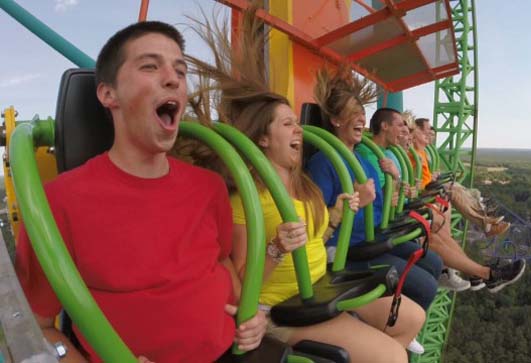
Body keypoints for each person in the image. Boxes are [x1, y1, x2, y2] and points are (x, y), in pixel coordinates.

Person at [15, 21, 266, 363]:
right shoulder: (57, 202)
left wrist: (249, 314)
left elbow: (219, 261)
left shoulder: (208, 187)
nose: (173, 78)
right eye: (150, 66)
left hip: (231, 354)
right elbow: (41, 328)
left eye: (180, 70)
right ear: (108, 94)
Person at [185, 10, 425, 363]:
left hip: (317, 287)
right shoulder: (245, 199)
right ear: (263, 138)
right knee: (392, 358)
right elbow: (239, 281)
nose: (299, 131)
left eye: (298, 123)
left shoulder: (303, 187)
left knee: (413, 317)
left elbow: (317, 240)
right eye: (288, 124)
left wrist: (338, 215)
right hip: (280, 307)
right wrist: (276, 248)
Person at [305, 66, 443, 319]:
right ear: (336, 120)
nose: (361, 120)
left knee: (434, 263)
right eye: (354, 114)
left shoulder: (364, 161)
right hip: (344, 246)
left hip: (370, 235)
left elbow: (378, 204)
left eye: (362, 114)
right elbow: (318, 225)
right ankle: (394, 328)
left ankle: (396, 318)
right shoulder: (323, 163)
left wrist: (393, 192)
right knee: (425, 287)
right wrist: (355, 205)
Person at [410, 118, 510, 238]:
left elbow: (421, 176)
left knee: (459, 188)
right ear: (415, 133)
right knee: (454, 191)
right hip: (424, 191)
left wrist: (432, 176)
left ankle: (485, 218)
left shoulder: (422, 152)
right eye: (426, 131)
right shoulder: (413, 154)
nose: (429, 134)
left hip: (428, 186)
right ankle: (485, 223)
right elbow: (412, 179)